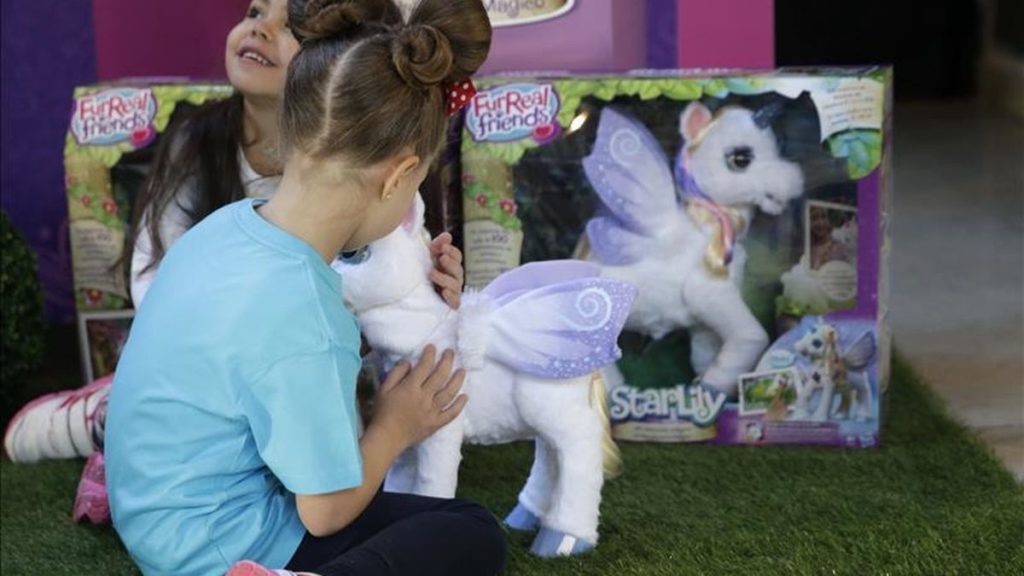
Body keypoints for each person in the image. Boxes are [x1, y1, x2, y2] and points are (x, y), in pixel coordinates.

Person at [105, 0, 502, 574]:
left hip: (154, 519)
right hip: (218, 546)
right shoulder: (308, 317)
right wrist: (396, 424)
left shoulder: (228, 225)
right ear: (397, 174)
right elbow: (324, 512)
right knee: (472, 533)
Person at [3, 0, 464, 467]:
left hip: (316, 369)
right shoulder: (198, 142)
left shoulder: (368, 179)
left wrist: (428, 282)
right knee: (168, 419)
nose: (260, 29)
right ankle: (105, 415)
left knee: (333, 432)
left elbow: (392, 271)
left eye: (290, 28)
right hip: (204, 361)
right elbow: (154, 274)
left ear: (344, 70)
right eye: (253, 12)